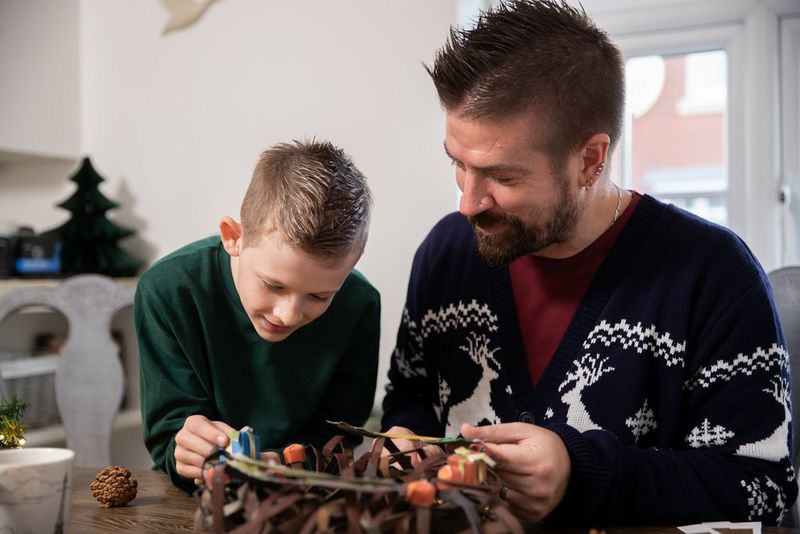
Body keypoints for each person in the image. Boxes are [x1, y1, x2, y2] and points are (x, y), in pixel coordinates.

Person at [381, 0, 796, 527]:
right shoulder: (444, 254)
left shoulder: (715, 276)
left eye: (502, 177)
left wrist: (581, 473)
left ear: (590, 160)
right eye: (458, 164)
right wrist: (407, 440)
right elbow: (409, 394)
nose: (468, 201)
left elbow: (763, 482)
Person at [135, 139, 380, 493]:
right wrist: (184, 450)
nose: (289, 314)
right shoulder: (168, 290)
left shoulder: (360, 305)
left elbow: (339, 436)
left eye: (319, 296)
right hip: (193, 501)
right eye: (273, 285)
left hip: (307, 499)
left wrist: (283, 466)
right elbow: (168, 433)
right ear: (233, 237)